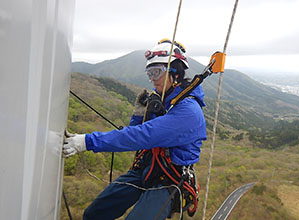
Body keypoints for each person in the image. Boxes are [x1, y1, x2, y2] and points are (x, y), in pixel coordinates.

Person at [63, 39, 207, 220]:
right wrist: (139, 115)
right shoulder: (165, 100)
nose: (153, 79)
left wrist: (87, 141)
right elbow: (138, 132)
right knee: (95, 213)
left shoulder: (188, 111)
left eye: (157, 72)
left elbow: (142, 136)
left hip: (170, 179)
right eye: (150, 73)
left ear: (175, 73)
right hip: (146, 169)